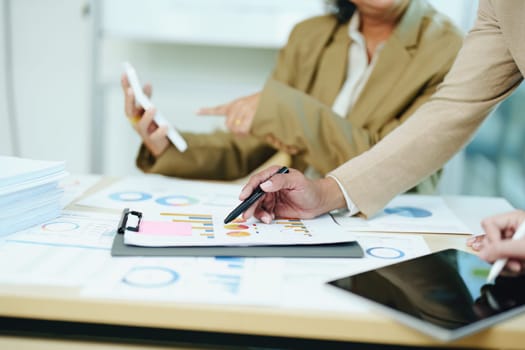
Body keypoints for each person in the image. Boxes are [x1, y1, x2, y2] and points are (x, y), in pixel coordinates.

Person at [239, 0, 525, 271]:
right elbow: (452, 110)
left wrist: (286, 111)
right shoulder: (499, 5)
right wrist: (325, 193)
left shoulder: (442, 40)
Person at [122, 0, 462, 189]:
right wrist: (167, 144)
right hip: (303, 217)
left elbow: (394, 166)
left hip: (388, 225)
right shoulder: (309, 37)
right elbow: (248, 146)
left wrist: (284, 110)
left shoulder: (447, 47)